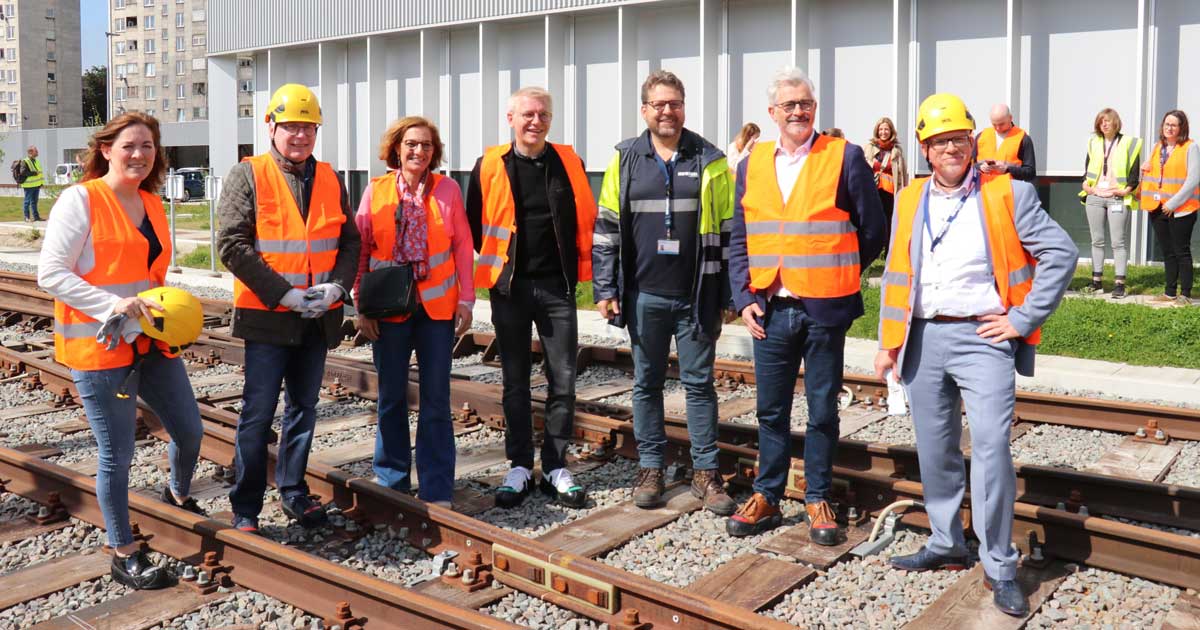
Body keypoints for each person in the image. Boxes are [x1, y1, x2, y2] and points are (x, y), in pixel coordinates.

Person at [875, 93, 1077, 617]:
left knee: (990, 448)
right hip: (922, 337)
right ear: (924, 148)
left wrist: (1022, 319)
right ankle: (946, 540)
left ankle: (999, 564)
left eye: (959, 139)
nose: (951, 148)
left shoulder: (1007, 193)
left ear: (973, 141)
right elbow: (896, 274)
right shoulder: (908, 199)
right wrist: (887, 344)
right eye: (940, 141)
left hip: (984, 337)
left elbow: (1062, 253)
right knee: (935, 448)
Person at [38, 113, 205, 590]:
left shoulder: (152, 203)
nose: (139, 154)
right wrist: (114, 305)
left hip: (152, 341)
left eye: (148, 146)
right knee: (117, 454)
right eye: (129, 145)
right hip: (101, 344)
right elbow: (51, 273)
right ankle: (122, 550)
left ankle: (176, 493)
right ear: (106, 149)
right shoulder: (81, 199)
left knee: (190, 432)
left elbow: (148, 277)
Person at [726, 66, 886, 542]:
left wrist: (841, 274)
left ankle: (818, 498)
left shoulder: (844, 156)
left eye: (806, 103)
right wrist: (744, 298)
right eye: (790, 104)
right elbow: (740, 237)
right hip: (769, 309)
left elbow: (874, 228)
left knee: (822, 410)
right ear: (772, 112)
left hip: (823, 309)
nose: (799, 111)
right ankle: (768, 495)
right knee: (770, 411)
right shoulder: (751, 163)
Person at [217, 84, 361, 532]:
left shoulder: (330, 177)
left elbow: (350, 240)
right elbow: (231, 244)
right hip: (268, 319)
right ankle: (246, 507)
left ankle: (294, 491)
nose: (301, 136)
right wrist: (284, 294)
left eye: (309, 127)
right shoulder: (248, 175)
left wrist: (338, 288)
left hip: (317, 319)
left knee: (304, 407)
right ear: (272, 127)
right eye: (292, 126)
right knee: (258, 413)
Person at [592, 70, 736, 515]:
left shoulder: (709, 159)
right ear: (645, 110)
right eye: (658, 104)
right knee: (646, 384)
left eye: (674, 103)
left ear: (683, 107)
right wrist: (605, 286)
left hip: (696, 297)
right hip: (642, 296)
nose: (667, 111)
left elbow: (729, 231)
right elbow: (607, 229)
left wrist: (730, 292)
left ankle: (705, 473)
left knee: (699, 386)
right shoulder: (625, 160)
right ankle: (651, 467)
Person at [467, 87, 597, 509]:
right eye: (527, 114)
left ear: (550, 120)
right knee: (515, 382)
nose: (535, 121)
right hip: (510, 288)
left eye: (542, 114)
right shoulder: (488, 165)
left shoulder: (568, 162)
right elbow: (474, 223)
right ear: (510, 118)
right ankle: (520, 466)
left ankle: (556, 465)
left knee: (564, 381)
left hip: (558, 288)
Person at [354, 116, 474, 506]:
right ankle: (392, 480)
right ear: (396, 148)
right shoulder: (376, 191)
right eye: (410, 143)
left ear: (433, 152)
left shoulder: (449, 190)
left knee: (436, 399)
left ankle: (438, 487)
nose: (418, 151)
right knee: (390, 396)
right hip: (389, 312)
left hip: (437, 310)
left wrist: (466, 299)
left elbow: (461, 248)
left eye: (425, 145)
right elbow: (361, 250)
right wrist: (361, 305)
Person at [1079, 108, 1141, 299]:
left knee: (1118, 242)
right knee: (1097, 240)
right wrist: (1085, 185)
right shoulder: (1093, 142)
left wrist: (1126, 191)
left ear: (1116, 122)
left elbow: (1134, 173)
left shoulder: (1129, 143)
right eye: (1101, 121)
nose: (1103, 124)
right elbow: (1088, 169)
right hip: (1095, 197)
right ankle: (1096, 282)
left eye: (1107, 121)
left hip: (1117, 197)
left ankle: (1119, 284)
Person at [1141, 110, 1199, 305]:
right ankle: (1170, 292)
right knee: (1168, 252)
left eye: (1174, 125)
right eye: (1167, 124)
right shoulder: (1159, 147)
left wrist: (1173, 204)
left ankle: (1186, 294)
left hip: (1181, 208)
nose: (1169, 127)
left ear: (1181, 127)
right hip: (1158, 207)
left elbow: (1193, 180)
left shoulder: (1190, 148)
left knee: (1181, 251)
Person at [863, 117, 910, 231]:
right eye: (881, 129)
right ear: (877, 131)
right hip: (873, 191)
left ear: (891, 132)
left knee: (889, 222)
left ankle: (888, 247)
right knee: (872, 220)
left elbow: (903, 174)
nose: (883, 132)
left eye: (886, 129)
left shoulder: (896, 151)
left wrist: (903, 194)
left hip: (890, 194)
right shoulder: (869, 148)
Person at [977, 104, 1036, 182]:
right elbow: (968, 165)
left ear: (1010, 118)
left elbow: (1030, 173)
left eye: (1001, 124)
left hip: (1011, 190)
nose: (998, 128)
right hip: (983, 189)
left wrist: (1008, 169)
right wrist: (980, 167)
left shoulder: (1023, 139)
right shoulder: (981, 136)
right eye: (994, 124)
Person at [20, 145, 45, 222]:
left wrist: (41, 183)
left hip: (36, 185)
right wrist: (34, 173)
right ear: (31, 152)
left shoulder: (36, 161)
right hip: (29, 185)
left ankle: (36, 217)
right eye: (36, 151)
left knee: (34, 202)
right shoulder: (25, 161)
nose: (37, 152)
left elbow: (40, 173)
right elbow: (22, 172)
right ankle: (26, 217)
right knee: (27, 201)